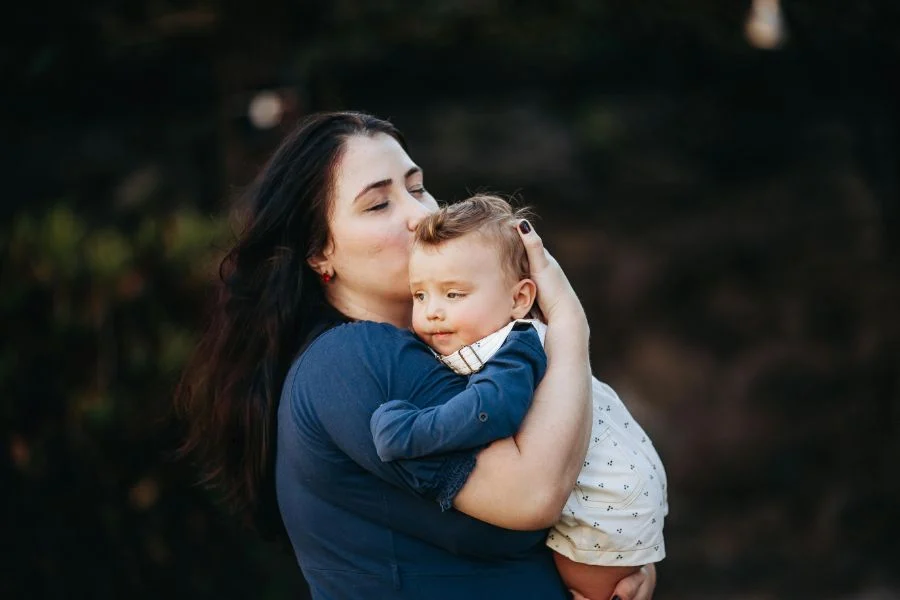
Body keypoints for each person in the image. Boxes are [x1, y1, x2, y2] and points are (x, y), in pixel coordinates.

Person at [175, 111, 657, 599]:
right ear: (319, 251)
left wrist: (624, 561)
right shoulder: (354, 359)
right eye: (378, 204)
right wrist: (569, 324)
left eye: (418, 187)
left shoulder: (447, 352)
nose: (421, 215)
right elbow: (533, 495)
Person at [370, 194, 668, 600]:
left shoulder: (516, 348)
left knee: (587, 591)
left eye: (453, 294)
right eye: (420, 295)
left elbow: (491, 411)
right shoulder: (494, 338)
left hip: (607, 502)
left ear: (519, 299)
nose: (432, 311)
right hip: (622, 487)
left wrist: (412, 431)